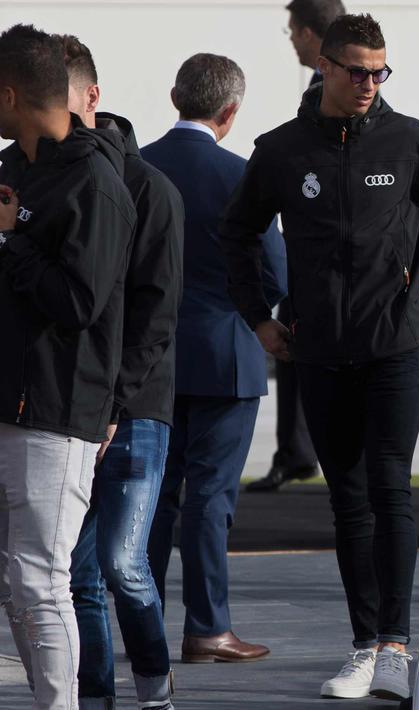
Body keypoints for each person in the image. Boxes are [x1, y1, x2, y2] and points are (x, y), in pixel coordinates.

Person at [220, 13, 419, 700]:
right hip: (317, 351)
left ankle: (396, 646)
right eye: (359, 71)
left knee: (391, 490)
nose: (371, 83)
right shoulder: (282, 149)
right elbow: (237, 232)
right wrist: (259, 316)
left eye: (380, 72)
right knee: (348, 501)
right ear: (327, 67)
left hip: (395, 345)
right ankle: (364, 645)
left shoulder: (409, 140)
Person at [0, 23, 136, 710]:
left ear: (10, 94)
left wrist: (11, 240)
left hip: (58, 408)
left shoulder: (94, 181)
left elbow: (80, 301)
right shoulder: (15, 168)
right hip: (12, 399)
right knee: (18, 581)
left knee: (41, 579)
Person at [143, 53, 283, 665]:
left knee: (150, 496)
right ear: (231, 110)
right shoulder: (240, 174)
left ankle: (142, 620)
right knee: (209, 498)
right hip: (226, 355)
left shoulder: (137, 166)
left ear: (176, 96)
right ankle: (207, 629)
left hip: (150, 359)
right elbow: (274, 274)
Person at [60, 35, 183, 710]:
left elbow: (156, 316)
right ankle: (96, 697)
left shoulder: (149, 188)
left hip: (134, 407)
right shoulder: (33, 177)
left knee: (122, 564)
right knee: (75, 574)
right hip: (63, 408)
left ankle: (155, 691)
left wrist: (114, 404)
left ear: (91, 99)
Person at [248, 0, 348, 493]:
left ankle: (304, 452)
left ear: (310, 33)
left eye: (293, 31)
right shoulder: (325, 85)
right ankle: (298, 450)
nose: (290, 40)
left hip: (322, 257)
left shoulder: (326, 90)